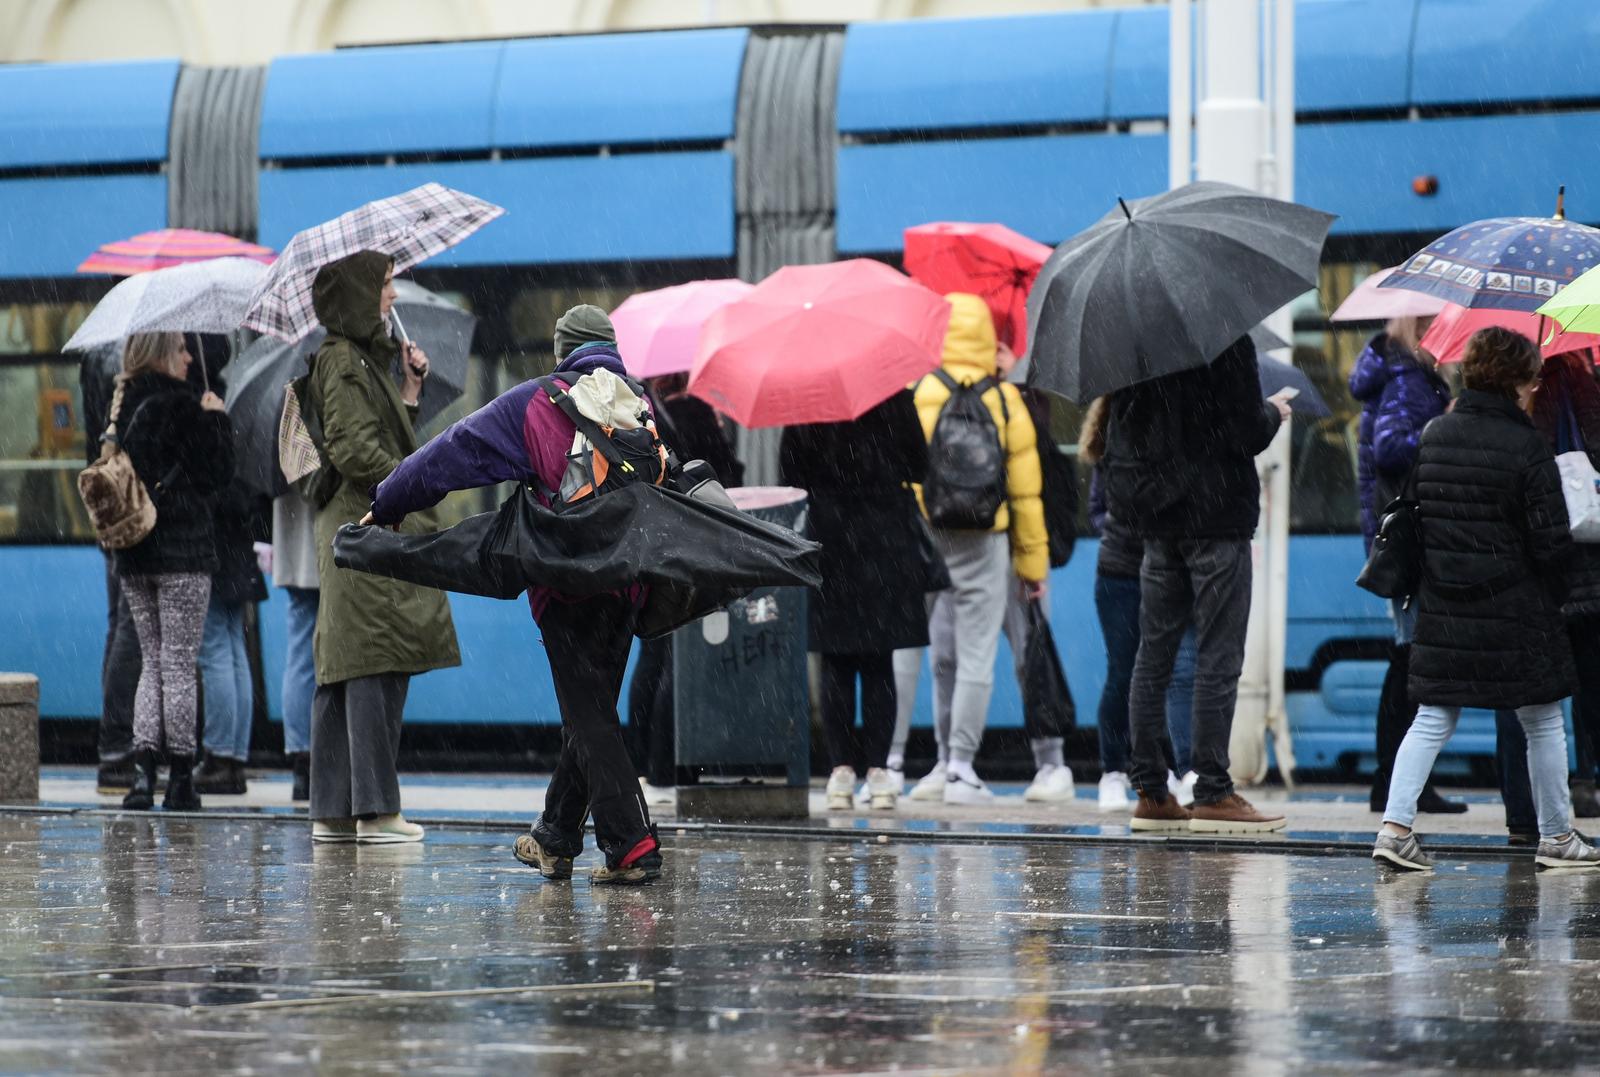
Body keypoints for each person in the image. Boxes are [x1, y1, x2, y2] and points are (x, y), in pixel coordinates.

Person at [365, 304, 662, 883]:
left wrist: (389, 500)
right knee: (591, 709)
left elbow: (452, 453)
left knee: (590, 714)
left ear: (563, 351)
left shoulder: (538, 401)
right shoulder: (640, 405)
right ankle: (555, 835)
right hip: (628, 582)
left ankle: (632, 847)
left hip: (567, 582)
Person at [1373, 327, 1600, 870]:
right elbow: (1551, 542)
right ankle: (1556, 836)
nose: (1535, 388)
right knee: (1543, 721)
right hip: (1518, 609)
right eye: (1532, 378)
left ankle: (1395, 828)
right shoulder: (1527, 446)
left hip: (1447, 605)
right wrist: (1559, 592)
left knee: (1431, 717)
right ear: (1516, 380)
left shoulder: (1435, 434)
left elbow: (1421, 519)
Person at [1102, 334, 1292, 833]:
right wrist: (1272, 412)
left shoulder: (1132, 346)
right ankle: (1212, 790)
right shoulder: (1225, 339)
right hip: (1216, 518)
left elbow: (1121, 436)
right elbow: (1246, 433)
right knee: (1218, 656)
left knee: (1153, 656)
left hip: (1159, 522)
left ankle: (1150, 791)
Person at [305, 251, 460, 845]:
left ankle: (336, 811)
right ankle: (377, 811)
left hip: (354, 524)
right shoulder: (344, 363)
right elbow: (352, 450)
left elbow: (367, 435)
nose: (393, 296)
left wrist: (409, 391)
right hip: (365, 524)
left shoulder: (354, 360)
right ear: (359, 296)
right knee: (375, 660)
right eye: (386, 284)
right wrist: (410, 484)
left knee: (347, 663)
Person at [907, 293, 1048, 805]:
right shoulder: (1006, 400)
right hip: (986, 537)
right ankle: (963, 769)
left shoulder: (920, 390)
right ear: (987, 337)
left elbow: (906, 475)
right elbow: (1027, 493)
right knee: (976, 655)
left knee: (937, 653)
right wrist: (1032, 564)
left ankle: (940, 760)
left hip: (931, 534)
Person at [780, 388, 934, 812]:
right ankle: (880, 774)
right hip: (886, 535)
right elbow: (920, 466)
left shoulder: (808, 397)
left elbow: (791, 474)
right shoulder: (894, 394)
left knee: (836, 659)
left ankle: (840, 772)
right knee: (879, 658)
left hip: (831, 535)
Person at [1348, 316, 1466, 816]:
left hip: (1398, 534)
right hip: (1409, 538)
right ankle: (1397, 783)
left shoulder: (1403, 377)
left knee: (1408, 659)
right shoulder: (1409, 380)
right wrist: (1447, 423)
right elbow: (1392, 448)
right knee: (1410, 661)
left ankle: (1398, 781)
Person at [112, 331, 234, 811]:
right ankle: (181, 778)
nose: (188, 356)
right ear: (164, 353)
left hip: (135, 552)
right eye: (181, 349)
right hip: (183, 553)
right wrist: (217, 421)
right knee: (180, 664)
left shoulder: (121, 405)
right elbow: (218, 476)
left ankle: (142, 775)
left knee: (152, 662)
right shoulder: (188, 406)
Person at [626, 373, 743, 805]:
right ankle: (665, 769)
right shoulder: (693, 411)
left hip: (650, 540)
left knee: (651, 654)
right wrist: (716, 431)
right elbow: (724, 476)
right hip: (689, 545)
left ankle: (639, 766)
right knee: (676, 659)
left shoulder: (640, 409)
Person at [1079, 397, 1200, 812]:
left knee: (1161, 673)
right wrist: (1124, 525)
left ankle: (1157, 766)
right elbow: (1098, 510)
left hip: (1159, 568)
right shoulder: (1115, 436)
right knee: (1124, 671)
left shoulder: (1166, 430)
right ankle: (1113, 771)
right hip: (1122, 571)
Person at [193, 370, 268, 798]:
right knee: (233, 649)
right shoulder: (239, 406)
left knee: (216, 650)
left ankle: (221, 755)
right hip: (237, 553)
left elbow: (214, 485)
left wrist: (211, 423)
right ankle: (234, 754)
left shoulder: (212, 416)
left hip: (215, 551)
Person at [80, 343, 142, 794]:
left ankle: (114, 749)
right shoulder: (128, 358)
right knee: (129, 627)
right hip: (133, 510)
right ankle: (119, 749)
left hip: (111, 506)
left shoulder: (98, 352)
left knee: (118, 624)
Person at [272, 491, 320, 803]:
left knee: (300, 652)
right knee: (334, 652)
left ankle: (302, 764)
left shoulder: (282, 439)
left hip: (292, 530)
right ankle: (327, 759)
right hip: (328, 533)